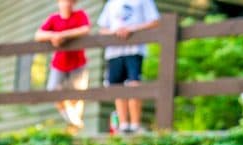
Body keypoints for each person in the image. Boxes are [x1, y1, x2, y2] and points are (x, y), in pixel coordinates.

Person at [97, 0, 159, 134]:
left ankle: (135, 124)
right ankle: (123, 125)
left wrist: (132, 29)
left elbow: (154, 21)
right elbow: (102, 28)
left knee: (134, 83)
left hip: (135, 49)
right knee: (116, 86)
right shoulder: (111, 3)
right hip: (114, 51)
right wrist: (115, 32)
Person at [35, 0, 91, 129]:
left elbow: (85, 29)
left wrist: (63, 35)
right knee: (54, 92)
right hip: (59, 64)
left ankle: (74, 123)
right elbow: (38, 35)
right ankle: (74, 122)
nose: (67, 3)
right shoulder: (54, 19)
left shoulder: (80, 15)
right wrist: (53, 36)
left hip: (78, 63)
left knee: (77, 95)